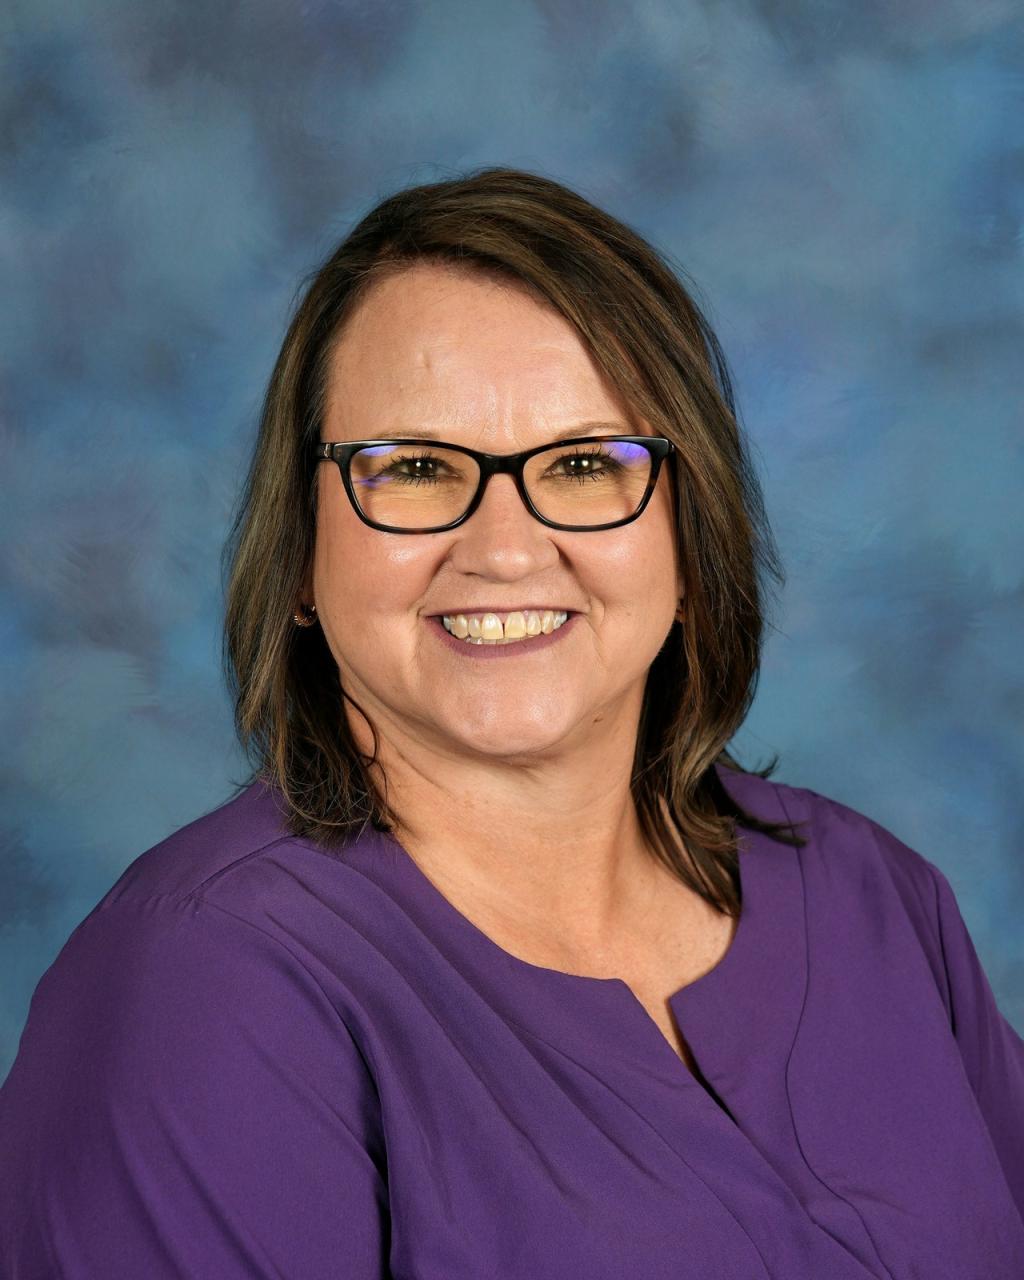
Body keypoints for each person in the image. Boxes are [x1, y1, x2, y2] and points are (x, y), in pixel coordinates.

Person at [1, 167, 1022, 1279]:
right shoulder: (204, 985)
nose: (503, 547)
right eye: (416, 468)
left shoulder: (874, 895)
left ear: (688, 532)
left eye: (584, 463)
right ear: (302, 547)